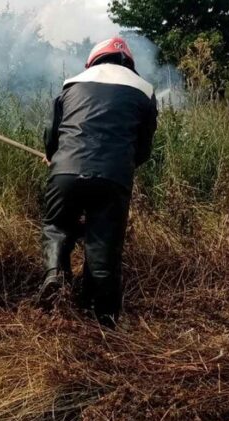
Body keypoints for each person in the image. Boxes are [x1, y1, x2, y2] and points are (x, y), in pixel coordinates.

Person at [37, 37, 158, 327]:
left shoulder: (72, 84)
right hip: (113, 176)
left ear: (93, 60)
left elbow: (52, 134)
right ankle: (104, 320)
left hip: (65, 171)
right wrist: (122, 166)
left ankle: (55, 275)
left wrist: (52, 156)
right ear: (129, 63)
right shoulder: (144, 90)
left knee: (57, 226)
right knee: (104, 243)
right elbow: (144, 148)